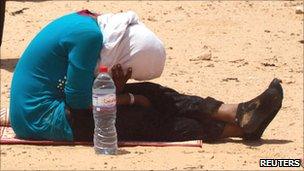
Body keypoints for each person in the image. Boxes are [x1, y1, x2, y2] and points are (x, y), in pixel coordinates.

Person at [10, 10, 283, 143]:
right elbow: (79, 101)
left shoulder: (93, 28)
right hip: (45, 118)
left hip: (59, 103)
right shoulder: (88, 37)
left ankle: (235, 112)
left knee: (152, 92)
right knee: (143, 119)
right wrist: (128, 98)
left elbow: (79, 88)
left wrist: (125, 92)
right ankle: (234, 129)